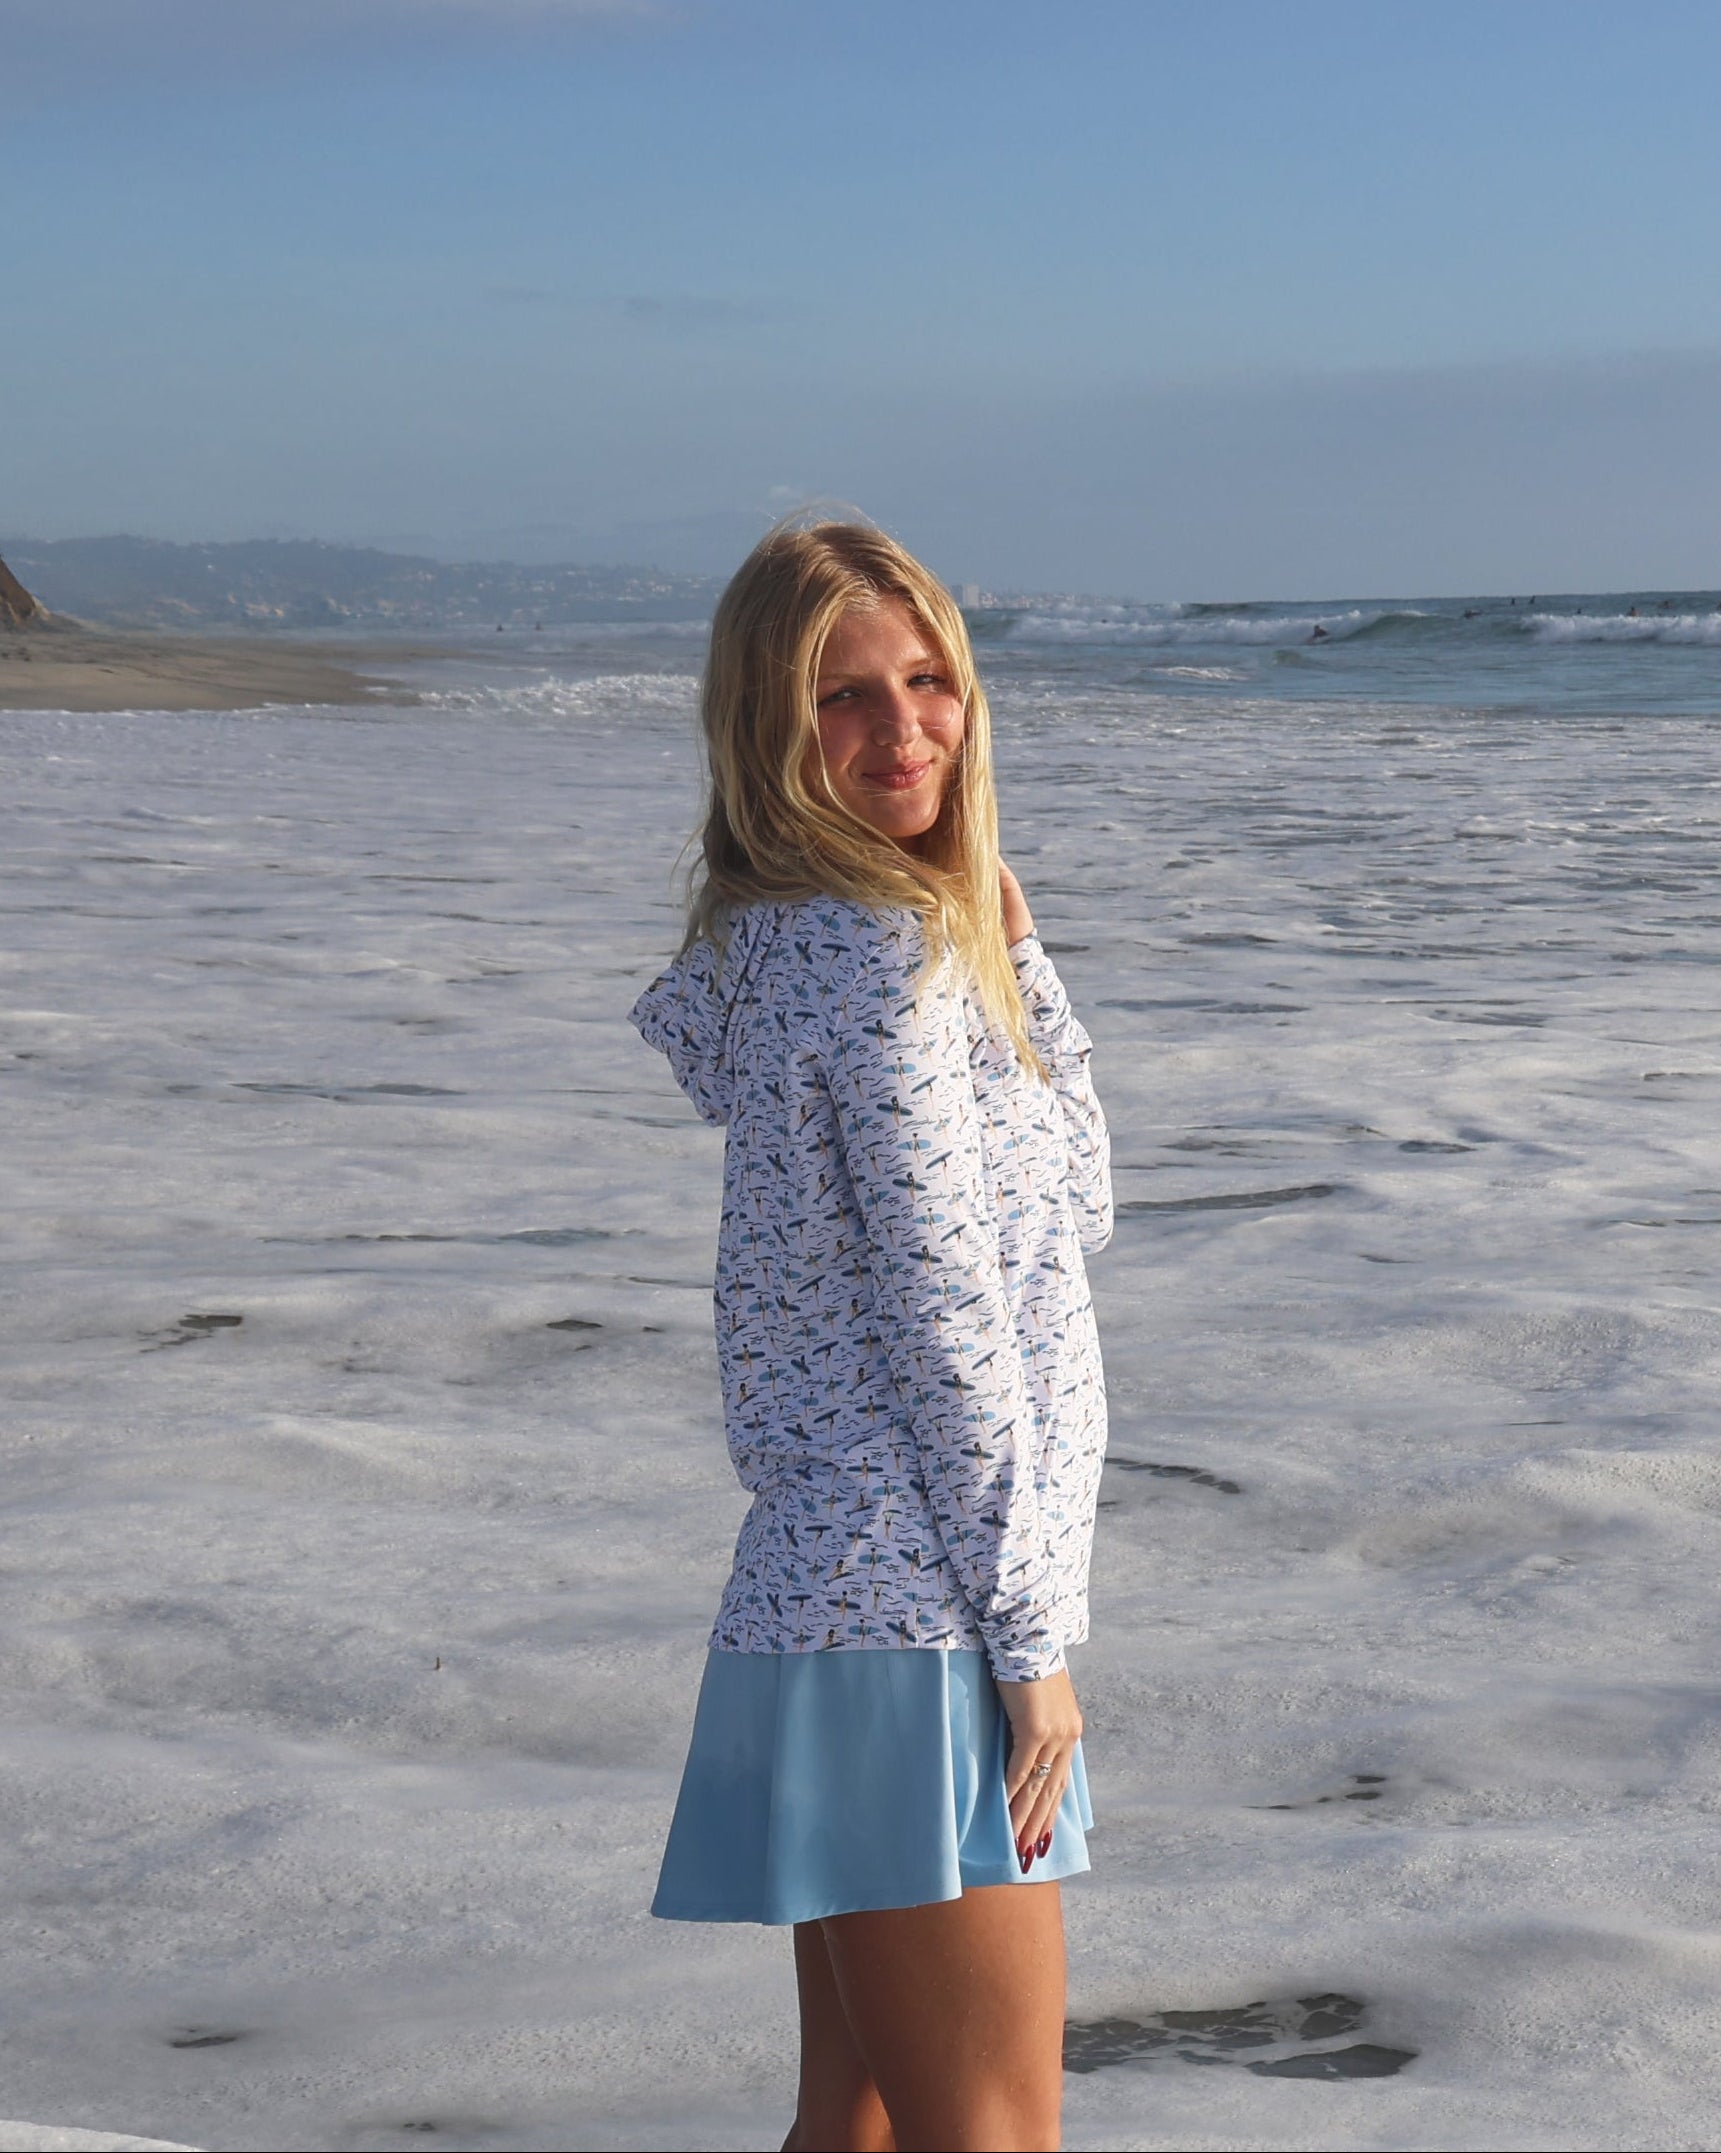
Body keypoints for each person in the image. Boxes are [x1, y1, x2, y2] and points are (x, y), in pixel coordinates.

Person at [631, 520, 1112, 2152]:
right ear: (768, 726)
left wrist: (1016, 951)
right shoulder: (881, 962)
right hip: (919, 1621)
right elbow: (947, 1323)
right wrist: (1030, 1650)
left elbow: (1075, 1199)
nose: (904, 730)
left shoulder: (802, 937)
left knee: (852, 2128)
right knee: (991, 2135)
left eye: (927, 681)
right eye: (842, 696)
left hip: (829, 1603)